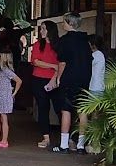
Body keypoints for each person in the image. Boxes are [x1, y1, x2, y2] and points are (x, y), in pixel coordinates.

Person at [46, 12, 92, 153]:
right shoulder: (85, 41)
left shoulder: (65, 41)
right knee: (82, 111)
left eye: (65, 22)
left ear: (70, 23)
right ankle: (80, 145)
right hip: (84, 78)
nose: (63, 24)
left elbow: (62, 62)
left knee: (66, 110)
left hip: (69, 78)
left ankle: (64, 144)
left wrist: (58, 78)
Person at [28, 21, 59, 149]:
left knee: (60, 107)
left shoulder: (58, 45)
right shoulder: (37, 44)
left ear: (50, 30)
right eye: (41, 29)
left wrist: (55, 72)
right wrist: (53, 66)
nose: (41, 31)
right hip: (39, 79)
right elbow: (35, 61)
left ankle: (67, 137)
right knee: (43, 108)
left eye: (44, 29)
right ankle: (46, 137)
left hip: (55, 79)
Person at [76, 35, 107, 154]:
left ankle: (90, 143)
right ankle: (93, 143)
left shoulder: (96, 55)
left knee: (89, 116)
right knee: (94, 117)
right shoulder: (100, 55)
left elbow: (85, 63)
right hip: (98, 89)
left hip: (94, 88)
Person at [0, 53, 23, 148]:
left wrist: (14, 93)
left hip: (4, 97)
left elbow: (19, 81)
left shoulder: (6, 71)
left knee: (4, 118)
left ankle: (4, 140)